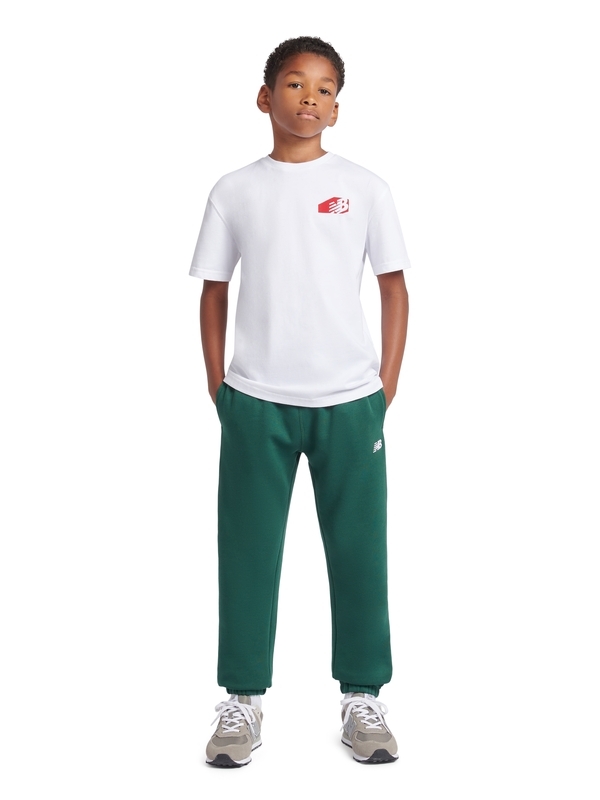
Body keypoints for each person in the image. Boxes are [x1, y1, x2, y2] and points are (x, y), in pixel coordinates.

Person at [189, 36, 411, 767]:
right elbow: (214, 291)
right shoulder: (234, 190)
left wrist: (386, 386)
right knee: (246, 553)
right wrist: (219, 386)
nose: (309, 97)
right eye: (294, 83)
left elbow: (394, 288)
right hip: (255, 402)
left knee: (360, 552)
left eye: (324, 89)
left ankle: (364, 697)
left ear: (337, 109)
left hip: (351, 403)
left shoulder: (366, 188)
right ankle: (242, 702)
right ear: (265, 97)